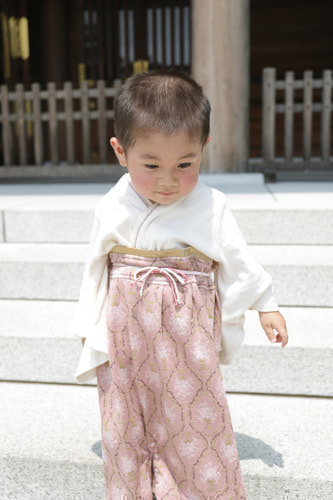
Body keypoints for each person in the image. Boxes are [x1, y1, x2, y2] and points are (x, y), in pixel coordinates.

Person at [71, 70, 288, 499]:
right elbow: (95, 266)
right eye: (150, 165)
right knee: (125, 412)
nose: (168, 180)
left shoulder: (211, 206)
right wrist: (89, 325)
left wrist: (266, 303)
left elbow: (238, 260)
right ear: (120, 151)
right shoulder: (112, 205)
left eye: (185, 165)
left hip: (184, 325)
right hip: (124, 326)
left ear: (204, 149)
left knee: (192, 409)